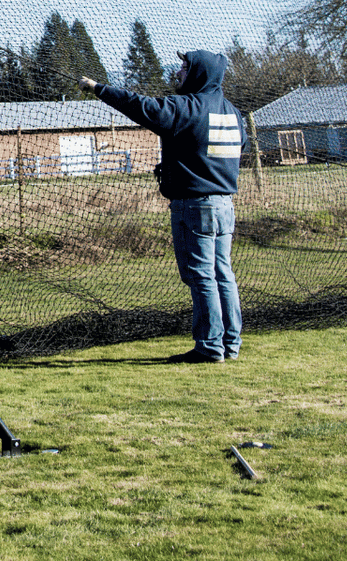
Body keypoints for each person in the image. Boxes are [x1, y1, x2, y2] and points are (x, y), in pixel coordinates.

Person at [80, 51, 244, 363]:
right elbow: (230, 147)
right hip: (224, 206)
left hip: (194, 207)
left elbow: (141, 107)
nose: (178, 73)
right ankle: (230, 344)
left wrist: (98, 88)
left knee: (201, 277)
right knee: (223, 274)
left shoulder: (187, 107)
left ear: (199, 74)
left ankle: (209, 348)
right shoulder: (232, 112)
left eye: (184, 68)